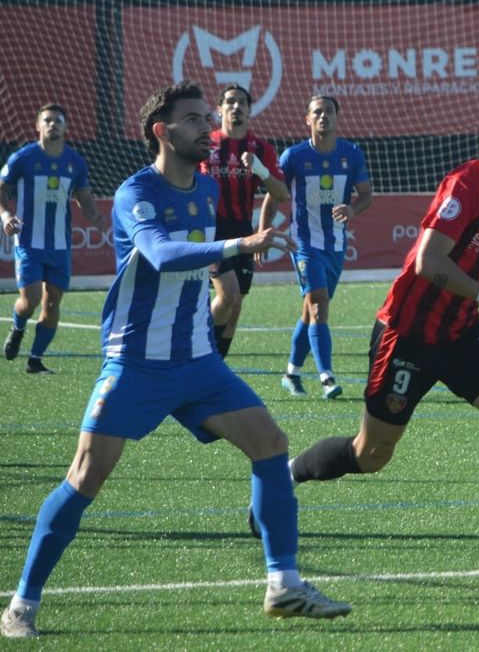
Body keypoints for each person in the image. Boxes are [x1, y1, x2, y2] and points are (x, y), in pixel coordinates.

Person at [0, 82, 349, 640]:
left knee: (270, 442)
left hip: (197, 361)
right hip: (136, 362)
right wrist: (239, 247)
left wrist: (228, 275)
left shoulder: (207, 190)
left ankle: (283, 584)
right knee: (84, 477)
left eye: (207, 117)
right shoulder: (134, 192)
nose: (207, 127)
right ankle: (21, 604)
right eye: (193, 119)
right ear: (162, 132)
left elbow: (207, 252)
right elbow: (161, 254)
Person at [285, 96, 479, 587]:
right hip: (407, 334)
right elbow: (430, 262)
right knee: (370, 455)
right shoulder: (467, 183)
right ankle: (285, 476)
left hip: (462, 334)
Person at [276, 96, 371, 399]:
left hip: (336, 245)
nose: (323, 117)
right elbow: (273, 194)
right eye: (317, 112)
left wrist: (353, 210)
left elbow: (367, 194)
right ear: (307, 119)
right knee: (319, 307)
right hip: (304, 244)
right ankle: (327, 377)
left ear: (336, 117)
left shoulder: (351, 153)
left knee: (310, 312)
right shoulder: (294, 156)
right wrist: (265, 230)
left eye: (328, 111)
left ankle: (291, 373)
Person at [1, 104, 107, 374]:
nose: (52, 125)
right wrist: (5, 217)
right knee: (31, 300)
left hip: (60, 245)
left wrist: (95, 216)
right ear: (38, 126)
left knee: (53, 301)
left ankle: (35, 360)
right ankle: (18, 327)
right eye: (47, 120)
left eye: (58, 121)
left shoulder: (75, 162)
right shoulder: (22, 159)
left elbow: (83, 196)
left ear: (65, 127)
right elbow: (2, 189)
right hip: (28, 242)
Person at [199, 84, 289, 360]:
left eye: (241, 102)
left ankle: (216, 362)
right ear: (219, 109)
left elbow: (281, 194)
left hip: (242, 232)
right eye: (230, 102)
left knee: (235, 305)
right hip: (211, 233)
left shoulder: (261, 148)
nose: (236, 106)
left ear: (250, 110)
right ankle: (201, 355)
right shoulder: (205, 142)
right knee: (227, 296)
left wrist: (260, 169)